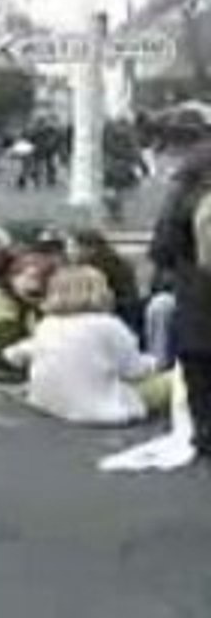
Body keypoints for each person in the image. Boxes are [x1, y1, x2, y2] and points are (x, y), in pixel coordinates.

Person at [4, 266, 167, 425]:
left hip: (48, 404)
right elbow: (134, 371)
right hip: (99, 410)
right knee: (173, 379)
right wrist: (154, 363)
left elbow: (14, 355)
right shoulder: (109, 325)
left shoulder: (47, 324)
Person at [149, 141, 211, 454]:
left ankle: (203, 431)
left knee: (199, 364)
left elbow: (161, 248)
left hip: (197, 292)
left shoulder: (183, 195)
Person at [0, 253, 50, 380]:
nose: (37, 284)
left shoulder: (34, 304)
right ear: (14, 277)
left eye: (43, 279)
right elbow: (3, 334)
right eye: (32, 277)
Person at [67, 229, 142, 337]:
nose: (71, 252)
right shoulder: (117, 263)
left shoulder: (95, 270)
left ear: (89, 248)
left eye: (74, 247)